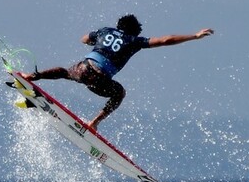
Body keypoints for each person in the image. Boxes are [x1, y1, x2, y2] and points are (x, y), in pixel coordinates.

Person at [24, 15, 214, 130]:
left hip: (84, 68)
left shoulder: (105, 30)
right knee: (119, 94)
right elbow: (166, 40)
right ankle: (94, 123)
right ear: (134, 31)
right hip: (100, 78)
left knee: (65, 72)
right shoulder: (134, 41)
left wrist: (94, 41)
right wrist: (194, 36)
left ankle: (32, 76)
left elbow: (83, 39)